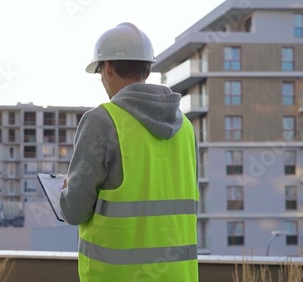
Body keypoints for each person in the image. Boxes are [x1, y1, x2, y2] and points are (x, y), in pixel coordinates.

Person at [59, 22, 200, 282]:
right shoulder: (186, 128)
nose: (102, 79)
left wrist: (68, 190)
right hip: (178, 275)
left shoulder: (102, 121)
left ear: (109, 67)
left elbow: (74, 210)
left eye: (100, 70)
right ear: (146, 68)